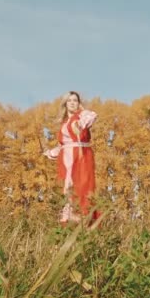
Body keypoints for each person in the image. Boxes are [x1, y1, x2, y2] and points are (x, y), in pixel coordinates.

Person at [44, 91, 99, 225]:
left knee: (81, 187)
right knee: (67, 188)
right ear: (65, 103)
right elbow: (62, 145)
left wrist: (80, 123)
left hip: (80, 156)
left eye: (75, 100)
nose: (72, 103)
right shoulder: (64, 123)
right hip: (66, 158)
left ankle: (84, 219)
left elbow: (92, 116)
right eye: (69, 100)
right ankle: (68, 218)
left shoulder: (82, 116)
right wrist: (50, 153)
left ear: (79, 103)